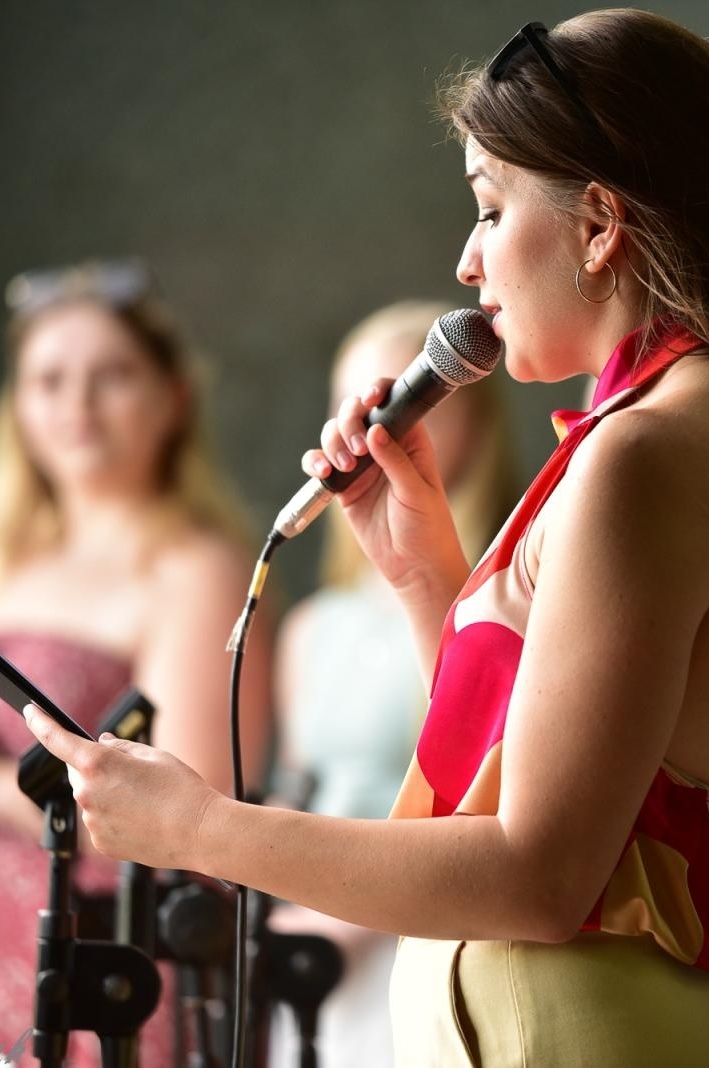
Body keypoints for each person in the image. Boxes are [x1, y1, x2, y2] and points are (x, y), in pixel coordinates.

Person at [22, 11, 709, 1064]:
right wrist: (424, 572)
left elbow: (542, 877)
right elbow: (557, 770)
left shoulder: (648, 452)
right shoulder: (685, 424)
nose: (467, 259)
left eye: (489, 208)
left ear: (600, 224)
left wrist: (202, 830)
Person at [0, 259, 274, 1067]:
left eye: (112, 376)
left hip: (90, 988)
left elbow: (196, 822)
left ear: (173, 397)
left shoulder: (194, 570)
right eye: (49, 380)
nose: (77, 406)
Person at [265, 300, 520, 1067]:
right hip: (310, 951)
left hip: (424, 937)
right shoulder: (314, 625)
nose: (379, 425)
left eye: (411, 396)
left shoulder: (509, 596)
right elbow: (299, 791)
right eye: (356, 402)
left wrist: (349, 913)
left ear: (472, 416)